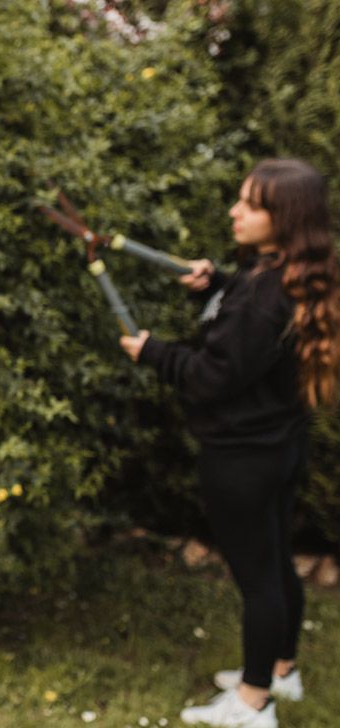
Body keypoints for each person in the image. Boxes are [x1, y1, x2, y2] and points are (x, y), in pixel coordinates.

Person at [120, 159, 337, 728]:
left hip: (242, 459)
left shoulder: (263, 296)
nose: (234, 211)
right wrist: (216, 283)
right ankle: (282, 669)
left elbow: (211, 375)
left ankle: (253, 701)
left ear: (284, 218)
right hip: (279, 448)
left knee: (257, 578)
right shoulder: (281, 274)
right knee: (277, 565)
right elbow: (249, 327)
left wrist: (153, 353)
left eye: (251, 204)